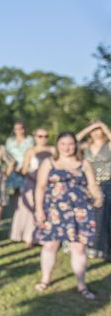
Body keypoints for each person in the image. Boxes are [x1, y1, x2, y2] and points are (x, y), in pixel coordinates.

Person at [34, 132, 103, 299]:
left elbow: (93, 185)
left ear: (76, 145)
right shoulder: (49, 163)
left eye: (70, 144)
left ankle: (81, 285)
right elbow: (41, 187)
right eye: (63, 144)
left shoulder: (84, 163)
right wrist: (39, 210)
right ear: (57, 145)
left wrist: (99, 197)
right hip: (54, 211)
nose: (67, 147)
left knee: (78, 248)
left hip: (79, 211)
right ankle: (45, 279)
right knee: (50, 245)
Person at [10, 128, 53, 248]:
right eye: (40, 136)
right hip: (32, 183)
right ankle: (29, 237)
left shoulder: (53, 150)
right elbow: (24, 169)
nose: (43, 138)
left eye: (45, 136)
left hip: (48, 185)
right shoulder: (31, 151)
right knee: (29, 211)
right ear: (35, 137)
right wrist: (33, 176)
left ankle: (44, 236)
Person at [77, 120, 111, 259]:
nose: (97, 132)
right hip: (89, 185)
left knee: (106, 217)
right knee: (91, 217)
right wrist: (89, 127)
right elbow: (72, 140)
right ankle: (92, 246)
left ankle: (105, 248)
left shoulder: (108, 145)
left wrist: (104, 126)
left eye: (99, 130)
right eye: (94, 130)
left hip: (107, 184)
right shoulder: (86, 146)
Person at [5, 120, 34, 202]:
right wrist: (11, 167)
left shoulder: (29, 139)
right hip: (13, 168)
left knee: (26, 190)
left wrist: (24, 166)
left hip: (25, 168)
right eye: (16, 129)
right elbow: (7, 155)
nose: (18, 131)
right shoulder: (10, 140)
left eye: (20, 128)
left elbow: (31, 153)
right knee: (15, 190)